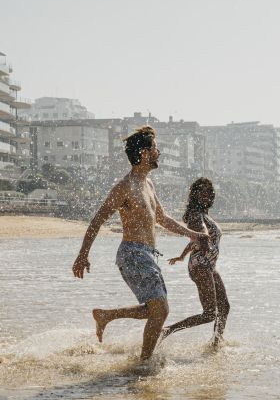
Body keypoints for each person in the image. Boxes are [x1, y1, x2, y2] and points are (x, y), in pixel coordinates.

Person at [72, 126, 208, 361]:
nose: (159, 152)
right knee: (161, 310)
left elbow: (162, 219)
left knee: (156, 310)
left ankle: (107, 316)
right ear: (145, 153)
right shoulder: (126, 186)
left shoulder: (148, 184)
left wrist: (192, 235)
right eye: (156, 148)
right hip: (132, 253)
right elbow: (98, 219)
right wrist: (83, 255)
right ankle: (144, 363)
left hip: (147, 254)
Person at [160, 178, 230, 346]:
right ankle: (167, 331)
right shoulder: (195, 215)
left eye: (209, 191)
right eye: (203, 191)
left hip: (209, 266)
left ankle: (216, 343)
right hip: (200, 266)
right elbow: (200, 232)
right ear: (195, 194)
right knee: (209, 314)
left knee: (225, 307)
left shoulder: (204, 214)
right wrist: (204, 239)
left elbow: (194, 241)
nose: (207, 194)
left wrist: (182, 255)